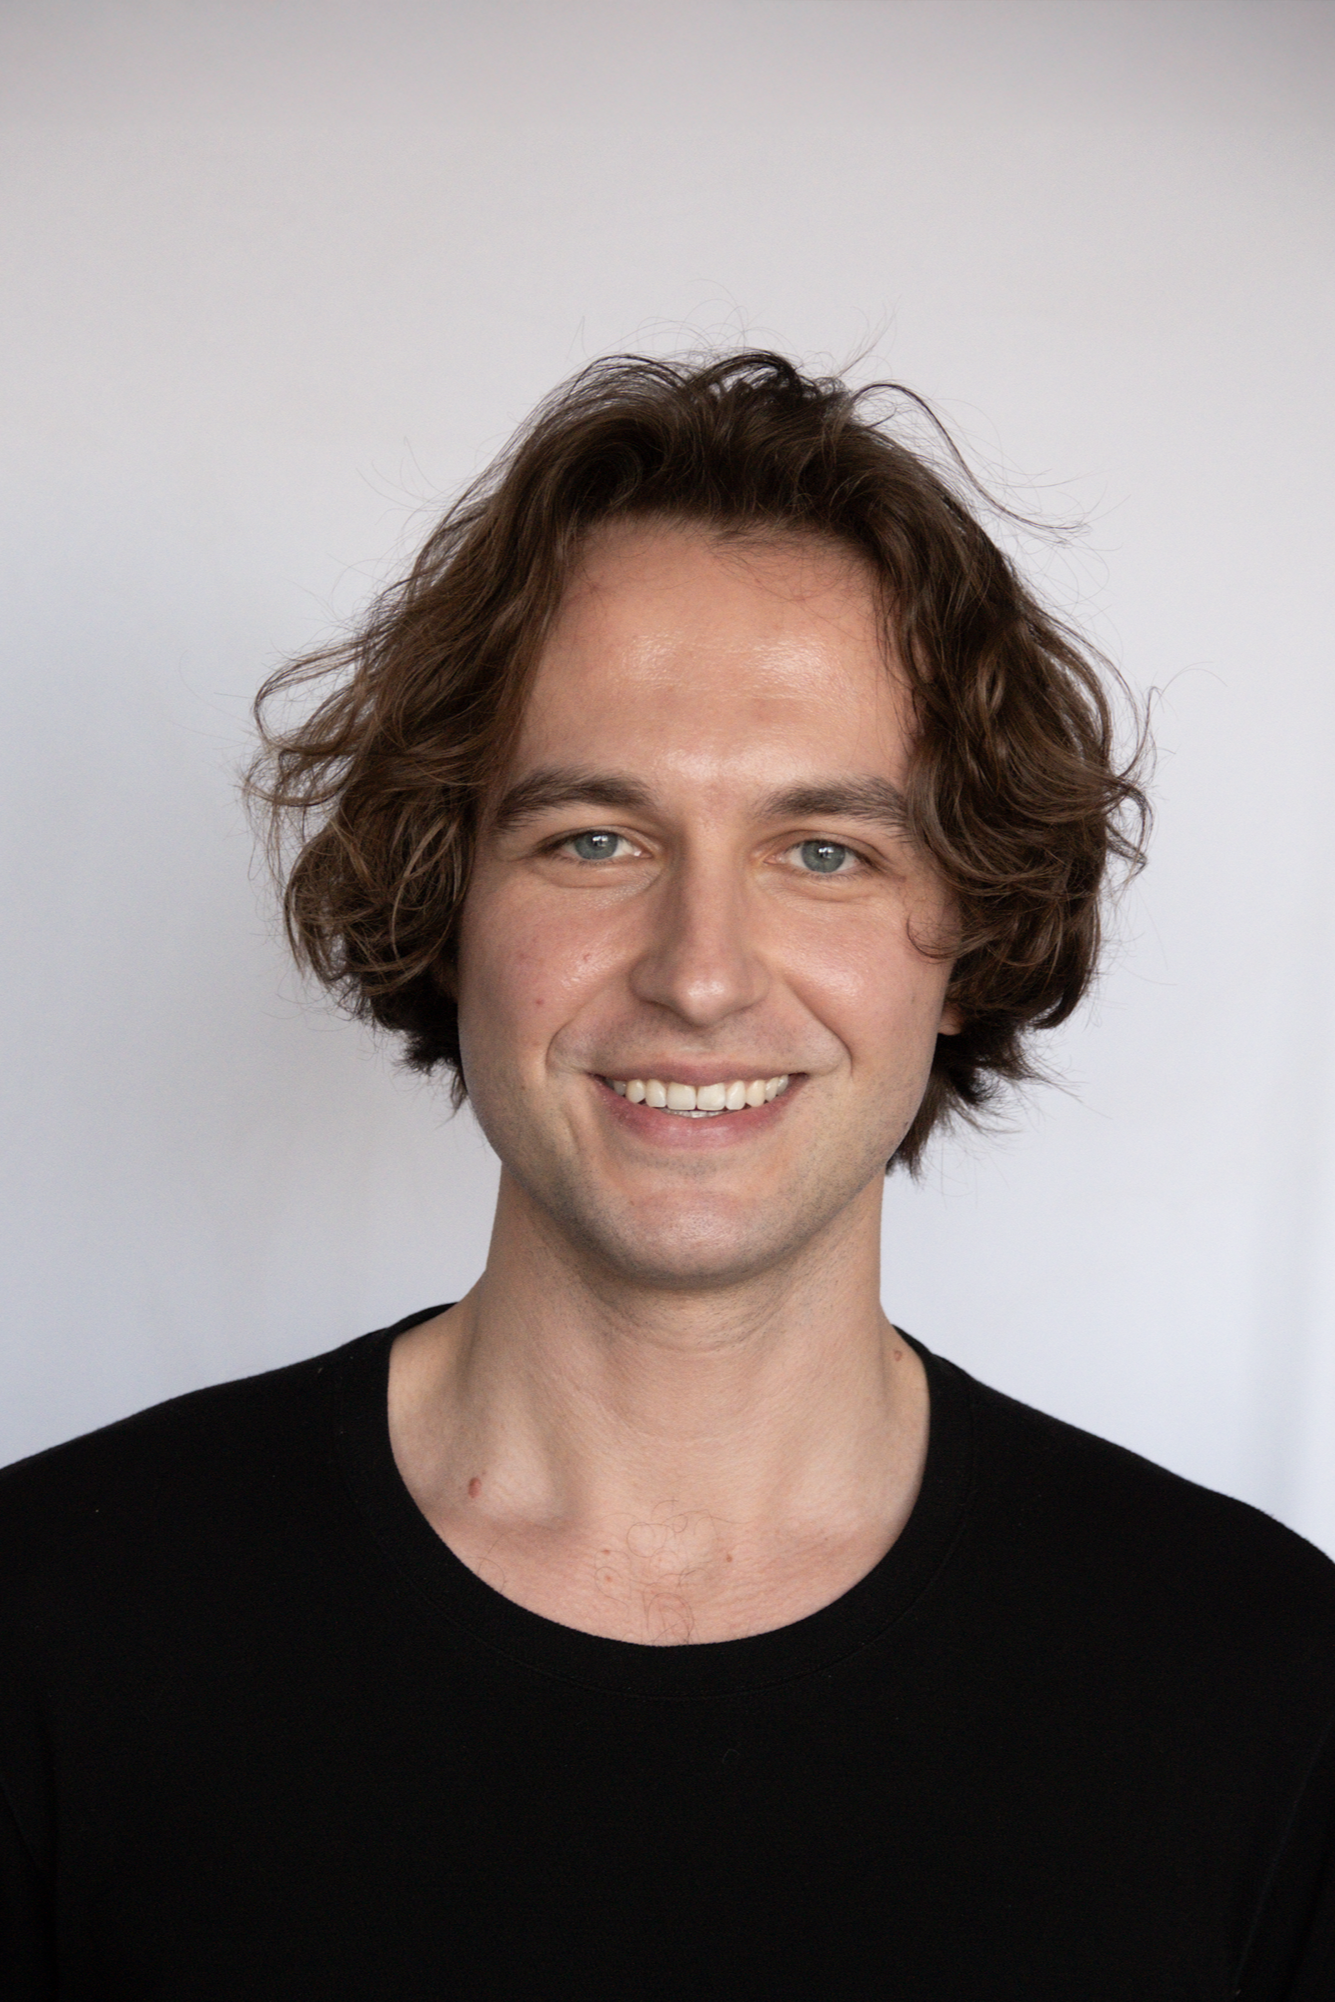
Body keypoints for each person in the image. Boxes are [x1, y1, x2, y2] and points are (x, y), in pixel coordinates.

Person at [2, 353, 1332, 1998]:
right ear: (445, 900)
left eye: (823, 851)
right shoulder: (55, 1626)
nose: (699, 973)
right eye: (594, 839)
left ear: (971, 937)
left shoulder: (1260, 1684)